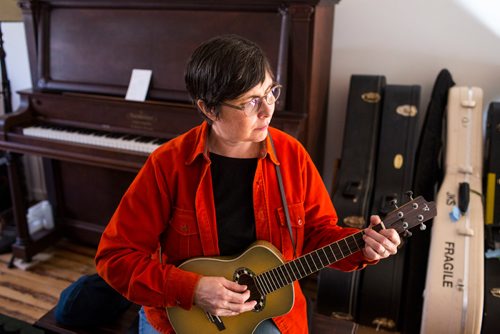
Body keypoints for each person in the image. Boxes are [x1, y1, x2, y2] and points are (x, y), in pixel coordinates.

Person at [95, 34, 401, 334]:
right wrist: (194, 289)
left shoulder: (292, 155)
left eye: (270, 92)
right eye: (250, 102)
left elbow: (317, 234)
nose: (268, 110)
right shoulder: (167, 164)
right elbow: (115, 258)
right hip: (181, 315)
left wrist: (363, 247)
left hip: (271, 310)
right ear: (208, 108)